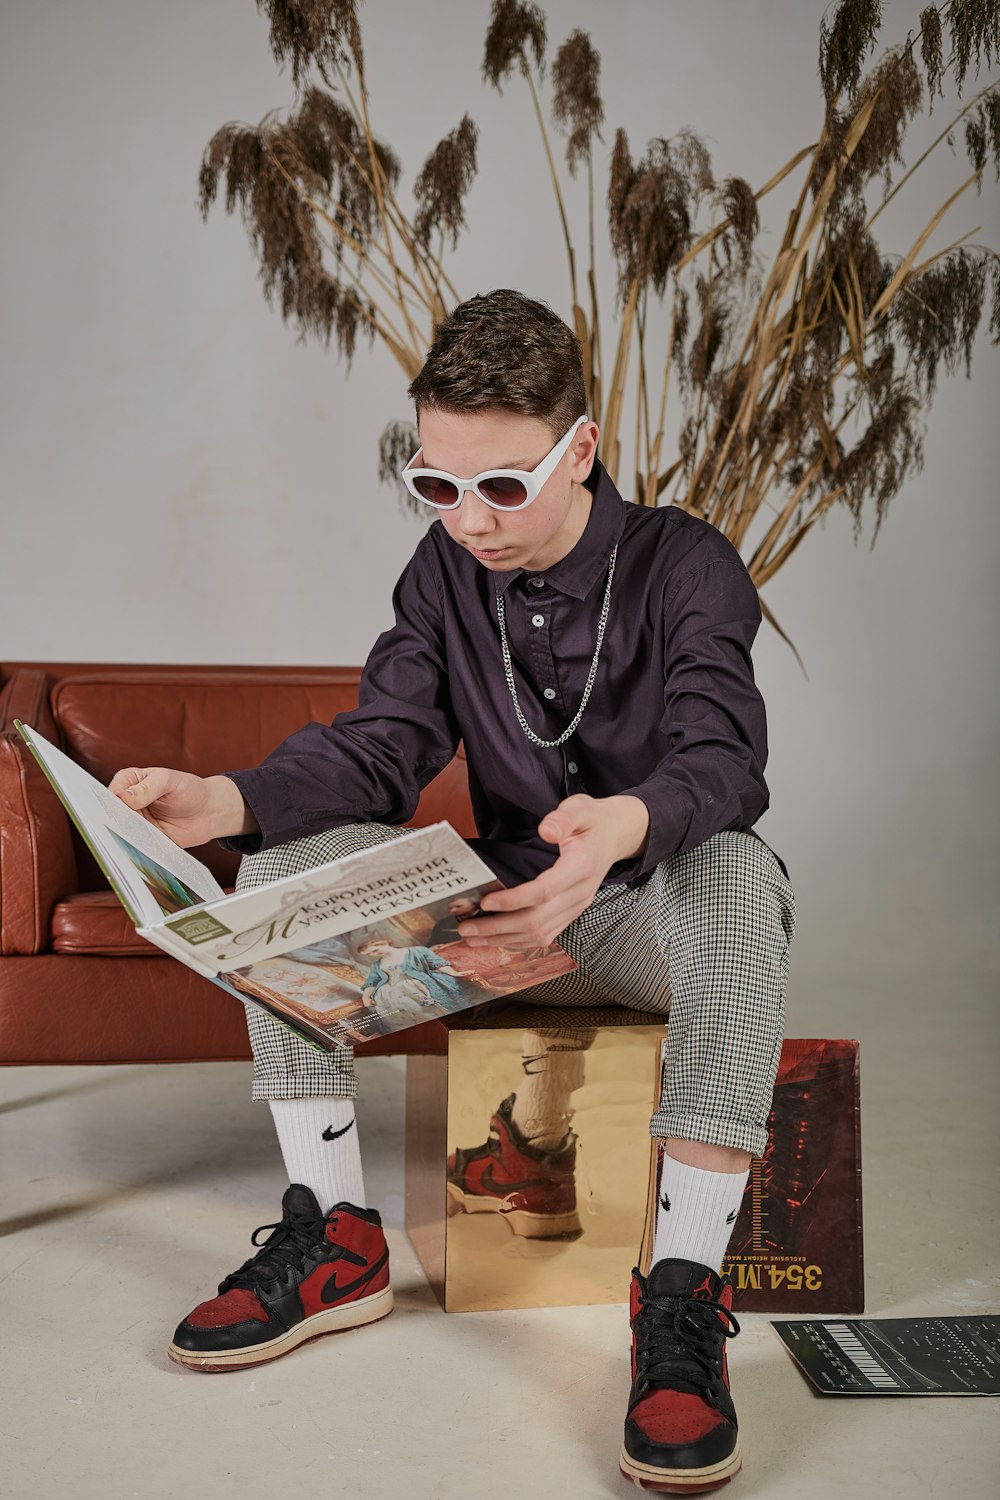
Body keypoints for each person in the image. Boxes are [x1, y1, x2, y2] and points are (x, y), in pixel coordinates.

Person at [110, 288, 795, 1494]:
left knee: (743, 873)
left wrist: (625, 824)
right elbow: (384, 744)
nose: (469, 519)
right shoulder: (442, 571)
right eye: (437, 485)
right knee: (276, 869)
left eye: (502, 486)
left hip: (641, 913)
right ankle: (337, 1239)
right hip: (496, 917)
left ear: (579, 450)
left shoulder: (684, 562)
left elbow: (723, 754)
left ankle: (682, 1301)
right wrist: (219, 800)